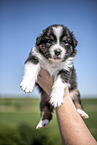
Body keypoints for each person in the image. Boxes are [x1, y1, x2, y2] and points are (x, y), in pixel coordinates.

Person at [37, 69, 97, 145]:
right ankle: (45, 118)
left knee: (75, 94)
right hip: (49, 89)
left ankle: (79, 108)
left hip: (67, 86)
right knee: (45, 101)